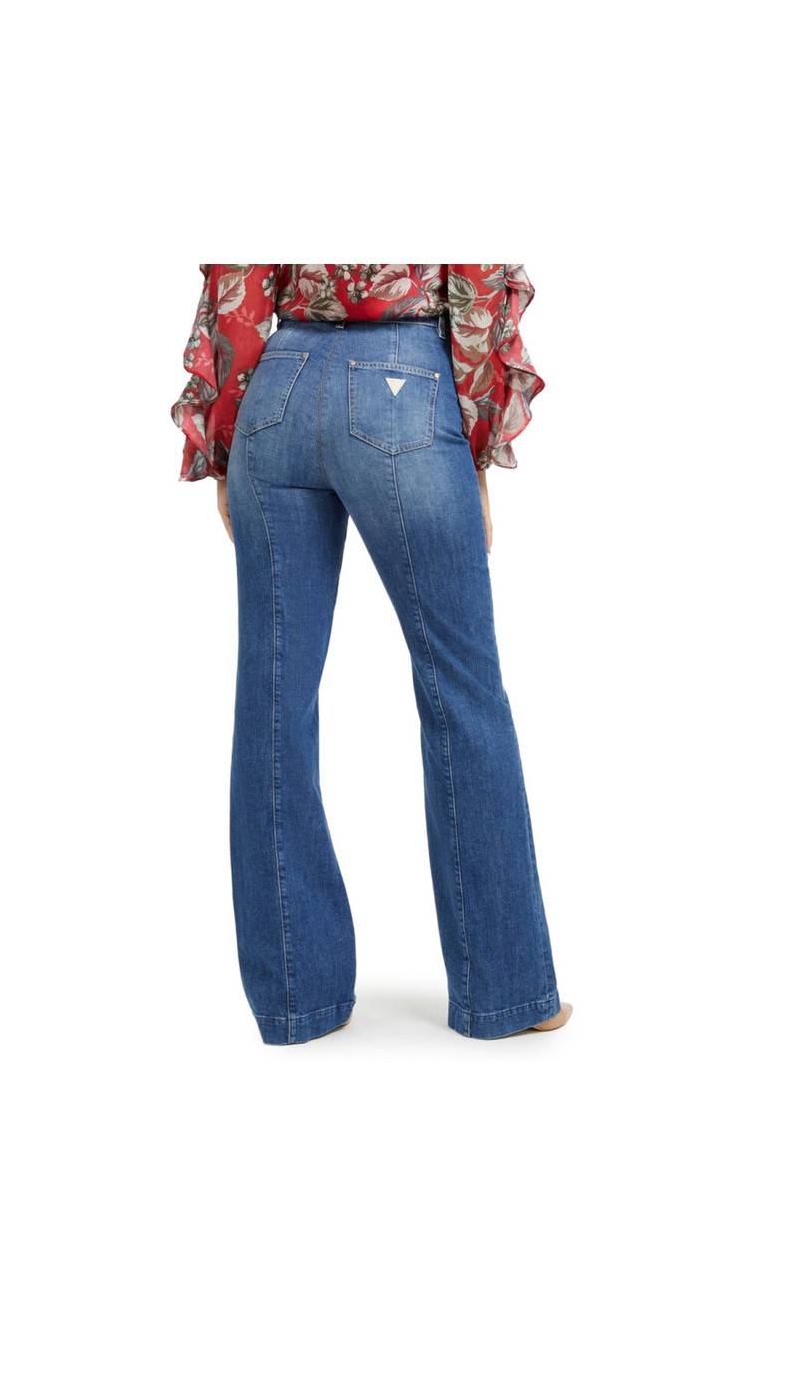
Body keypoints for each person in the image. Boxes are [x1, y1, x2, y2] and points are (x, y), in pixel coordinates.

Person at [170, 264, 571, 1044]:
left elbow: (240, 282)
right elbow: (476, 282)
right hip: (404, 384)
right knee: (463, 692)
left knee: (273, 702)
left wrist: (224, 444)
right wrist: (476, 448)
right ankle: (507, 992)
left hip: (277, 386)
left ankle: (297, 1000)